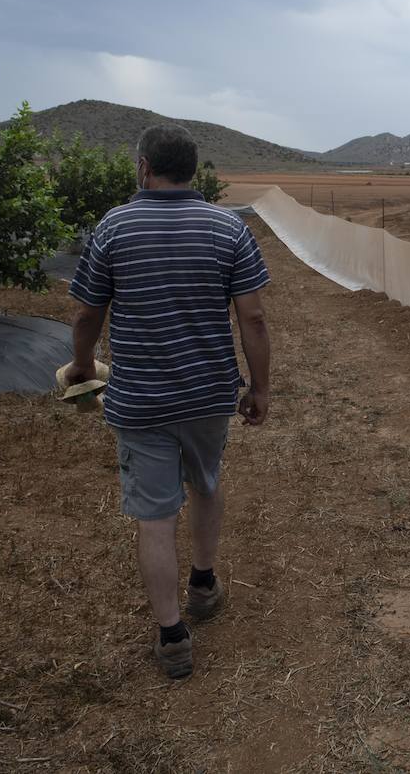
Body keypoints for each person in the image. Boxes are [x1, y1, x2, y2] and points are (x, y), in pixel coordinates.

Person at [64, 124, 272, 679]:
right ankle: (203, 583)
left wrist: (83, 365)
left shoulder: (114, 226)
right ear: (192, 169)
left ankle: (173, 636)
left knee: (155, 517)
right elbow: (252, 316)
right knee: (205, 483)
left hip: (140, 400)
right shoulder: (229, 228)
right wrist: (261, 387)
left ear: (143, 167)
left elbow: (87, 313)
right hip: (209, 395)